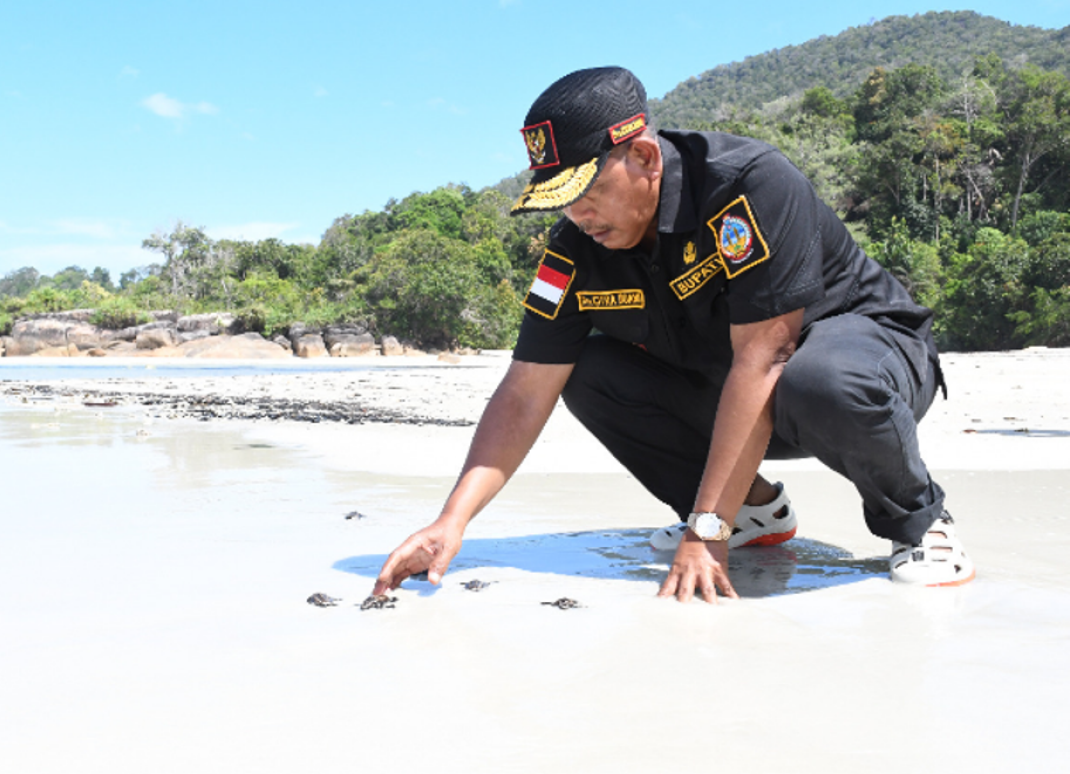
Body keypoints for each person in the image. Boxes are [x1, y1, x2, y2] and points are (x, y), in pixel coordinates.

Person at [372, 66, 975, 603]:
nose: (576, 215)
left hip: (861, 367)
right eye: (560, 201)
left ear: (644, 158)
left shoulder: (748, 185)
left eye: (584, 191)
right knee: (585, 370)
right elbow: (527, 390)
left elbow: (766, 357)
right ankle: (755, 513)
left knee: (820, 377)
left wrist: (703, 534)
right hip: (739, 393)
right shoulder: (575, 253)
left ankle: (920, 522)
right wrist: (451, 522)